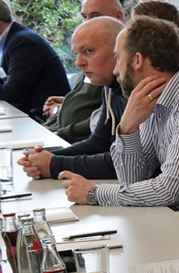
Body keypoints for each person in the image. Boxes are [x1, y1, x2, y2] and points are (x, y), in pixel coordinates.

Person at [56, 18, 179, 209]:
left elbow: (170, 191)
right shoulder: (147, 99)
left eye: (118, 58)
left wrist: (94, 193)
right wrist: (128, 128)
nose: (115, 70)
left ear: (137, 60)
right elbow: (132, 180)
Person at [20, 16, 125, 182]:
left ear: (119, 51)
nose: (78, 62)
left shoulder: (139, 93)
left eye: (88, 51)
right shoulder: (110, 87)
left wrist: (54, 164)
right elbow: (99, 142)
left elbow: (128, 163)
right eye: (76, 54)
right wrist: (44, 157)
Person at [43, 0, 127, 138]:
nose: (78, 63)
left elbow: (98, 127)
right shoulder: (105, 82)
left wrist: (57, 131)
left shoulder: (114, 77)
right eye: (84, 16)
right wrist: (52, 125)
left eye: (95, 16)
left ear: (118, 17)